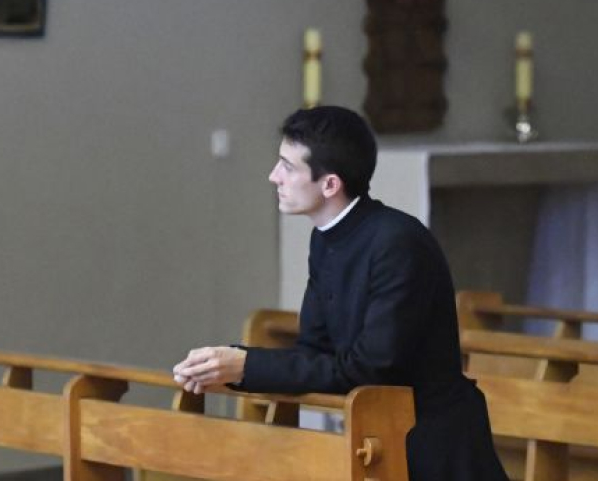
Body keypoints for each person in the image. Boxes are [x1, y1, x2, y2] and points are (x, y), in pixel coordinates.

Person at [173, 105, 508, 481]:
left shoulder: (398, 242)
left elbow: (372, 367)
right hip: (382, 437)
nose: (273, 176)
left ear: (330, 184)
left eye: (288, 167)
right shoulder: (325, 238)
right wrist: (232, 366)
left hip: (435, 448)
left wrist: (247, 365)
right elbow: (315, 351)